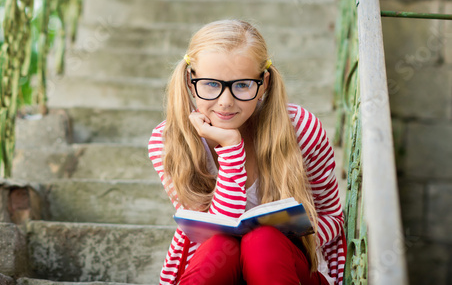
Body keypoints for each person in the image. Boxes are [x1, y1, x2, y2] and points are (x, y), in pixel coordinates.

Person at [148, 19, 346, 285]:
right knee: (221, 245)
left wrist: (297, 235)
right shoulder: (170, 140)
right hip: (217, 267)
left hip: (286, 268)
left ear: (263, 83)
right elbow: (215, 230)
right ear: (189, 79)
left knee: (262, 241)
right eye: (210, 84)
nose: (225, 101)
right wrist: (230, 147)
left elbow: (332, 216)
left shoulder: (300, 128)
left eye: (242, 85)